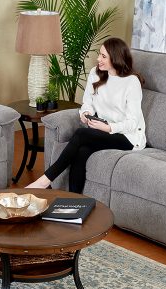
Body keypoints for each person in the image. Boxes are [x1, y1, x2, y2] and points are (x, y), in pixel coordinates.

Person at [27, 37, 145, 194]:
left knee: (81, 134)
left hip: (128, 137)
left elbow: (133, 122)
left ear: (116, 58)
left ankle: (44, 181)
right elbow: (87, 102)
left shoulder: (131, 82)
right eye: (99, 54)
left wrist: (108, 127)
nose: (98, 59)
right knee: (82, 151)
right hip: (103, 129)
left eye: (103, 56)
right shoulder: (96, 73)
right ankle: (73, 201)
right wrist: (86, 113)